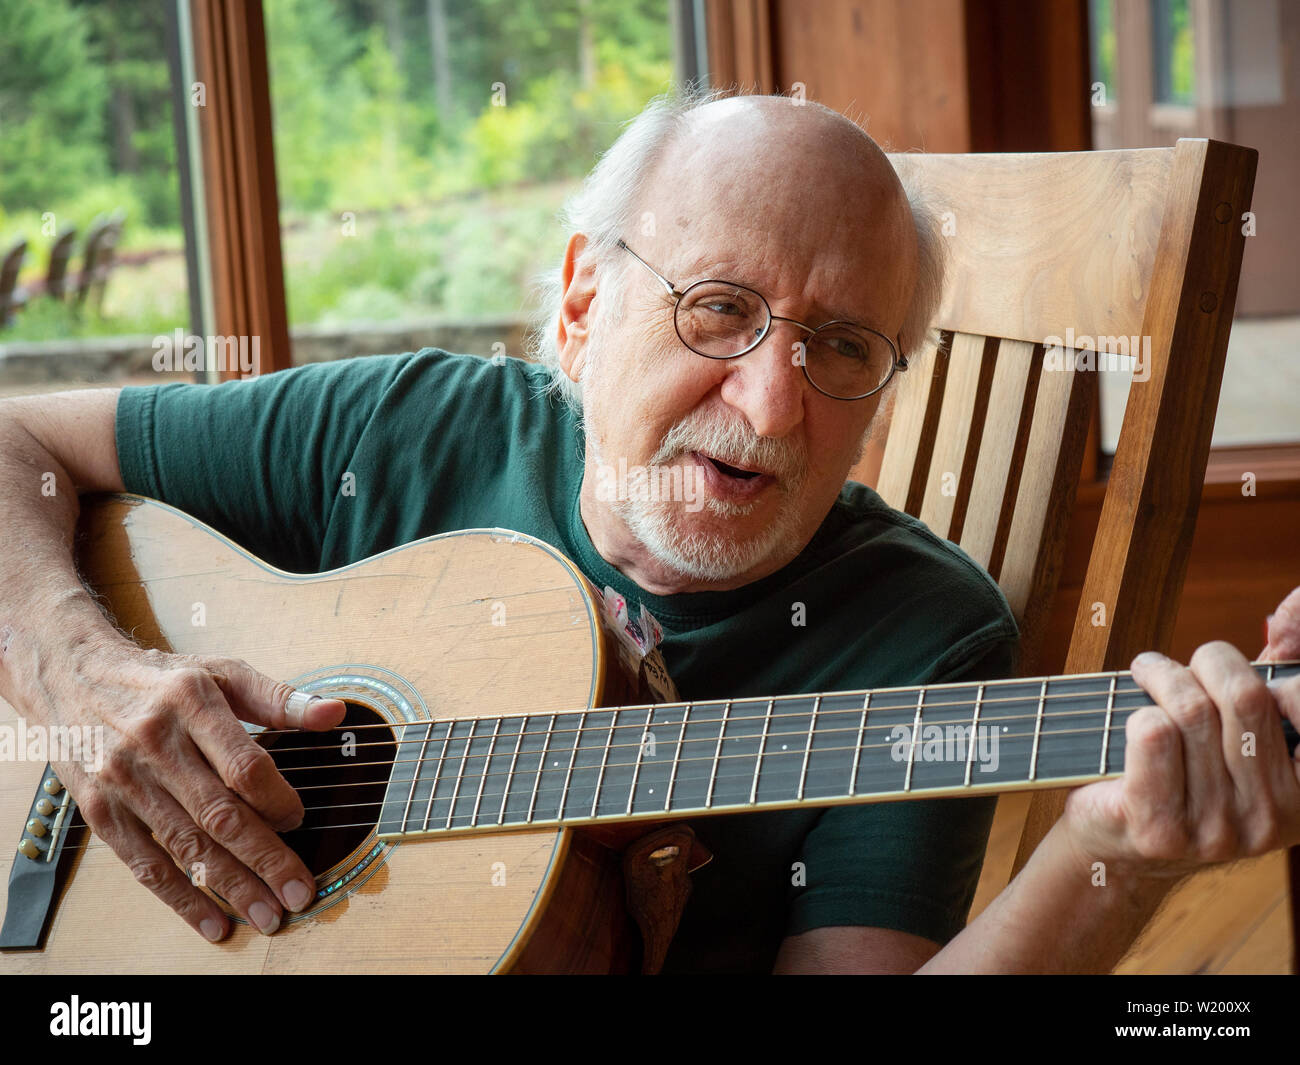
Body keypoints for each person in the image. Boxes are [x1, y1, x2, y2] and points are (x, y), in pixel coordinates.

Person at [0, 92, 1296, 974]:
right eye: (719, 309)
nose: (774, 402)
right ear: (579, 304)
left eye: (842, 346)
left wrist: (1109, 855)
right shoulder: (401, 430)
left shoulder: (919, 637)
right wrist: (87, 678)